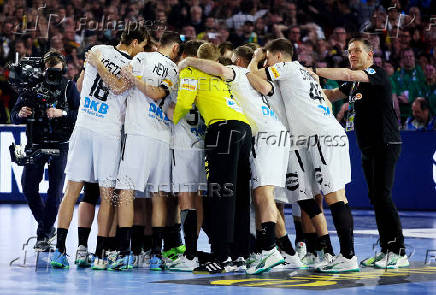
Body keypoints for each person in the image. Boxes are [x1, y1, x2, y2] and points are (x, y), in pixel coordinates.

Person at [250, 38, 359, 273]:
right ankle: (341, 253)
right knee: (337, 196)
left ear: (278, 57)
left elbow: (255, 75)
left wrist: (256, 58)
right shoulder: (306, 73)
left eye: (269, 58)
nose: (267, 62)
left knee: (334, 197)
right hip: (328, 133)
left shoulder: (287, 68)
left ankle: (347, 255)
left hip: (321, 136)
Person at [50, 28, 149, 270]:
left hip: (83, 125)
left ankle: (60, 251)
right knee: (106, 196)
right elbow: (117, 88)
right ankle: (101, 255)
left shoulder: (97, 50)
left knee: (72, 190)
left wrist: (97, 65)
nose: (143, 50)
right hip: (108, 132)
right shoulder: (135, 64)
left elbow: (81, 84)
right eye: (142, 45)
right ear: (134, 42)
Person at [315, 37, 409, 269]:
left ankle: (398, 251)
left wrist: (313, 69)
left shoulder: (376, 73)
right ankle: (387, 249)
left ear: (370, 54)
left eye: (357, 50)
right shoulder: (355, 84)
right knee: (376, 197)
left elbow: (347, 75)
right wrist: (307, 86)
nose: (352, 54)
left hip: (385, 143)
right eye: (349, 51)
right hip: (369, 146)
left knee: (382, 196)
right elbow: (334, 93)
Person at [174, 43, 252, 274]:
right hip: (243, 128)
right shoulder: (222, 74)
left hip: (222, 131)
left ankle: (221, 256)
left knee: (220, 194)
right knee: (238, 194)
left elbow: (184, 104)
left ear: (196, 58)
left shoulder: (190, 71)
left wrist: (171, 119)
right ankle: (240, 255)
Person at [10, 51, 80, 251]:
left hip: (60, 143)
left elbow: (80, 114)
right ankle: (47, 228)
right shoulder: (31, 87)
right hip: (35, 143)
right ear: (43, 69)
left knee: (55, 191)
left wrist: (62, 112)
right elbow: (14, 116)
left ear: (64, 70)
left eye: (57, 72)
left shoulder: (68, 87)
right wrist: (21, 113)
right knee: (28, 186)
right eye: (50, 71)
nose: (54, 76)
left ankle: (43, 235)